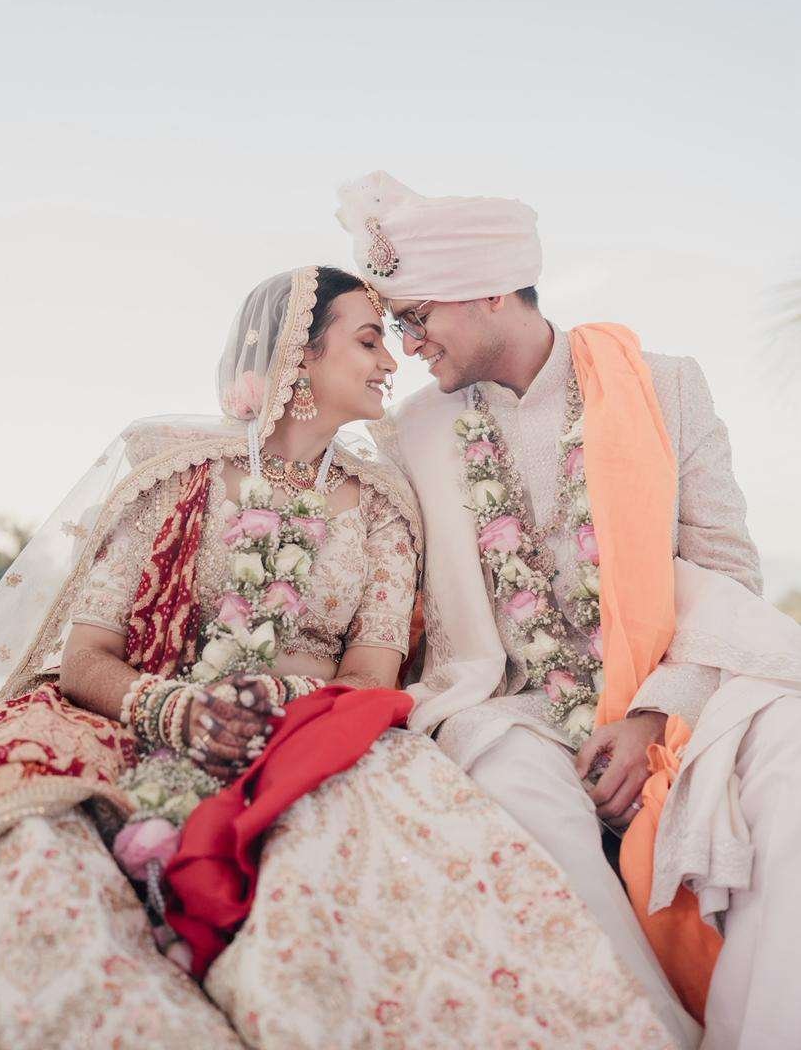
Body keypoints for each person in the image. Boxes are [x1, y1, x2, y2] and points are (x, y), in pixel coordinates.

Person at [0, 266, 681, 1050]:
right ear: (300, 354)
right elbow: (87, 656)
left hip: (312, 728)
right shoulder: (173, 472)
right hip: (146, 716)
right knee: (33, 853)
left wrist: (276, 704)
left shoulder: (384, 507)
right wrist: (175, 709)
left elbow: (371, 672)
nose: (392, 361)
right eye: (368, 341)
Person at [339, 170, 801, 1050]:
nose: (408, 343)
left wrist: (656, 711)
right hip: (516, 705)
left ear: (491, 290)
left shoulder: (662, 386)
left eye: (416, 315)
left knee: (793, 749)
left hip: (676, 681)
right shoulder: (413, 432)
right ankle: (648, 1031)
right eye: (396, 324)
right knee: (512, 783)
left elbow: (724, 566)